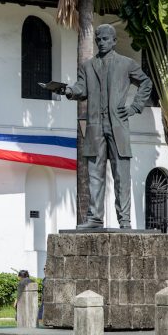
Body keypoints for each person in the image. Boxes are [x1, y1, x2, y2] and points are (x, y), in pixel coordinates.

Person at [51, 24, 151, 229]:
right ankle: (95, 218)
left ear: (114, 41)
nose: (101, 42)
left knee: (122, 175)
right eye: (98, 39)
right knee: (94, 174)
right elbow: (81, 89)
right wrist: (68, 90)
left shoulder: (126, 64)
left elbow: (146, 83)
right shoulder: (87, 66)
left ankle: (124, 220)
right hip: (95, 127)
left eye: (105, 39)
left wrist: (135, 107)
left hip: (118, 126)